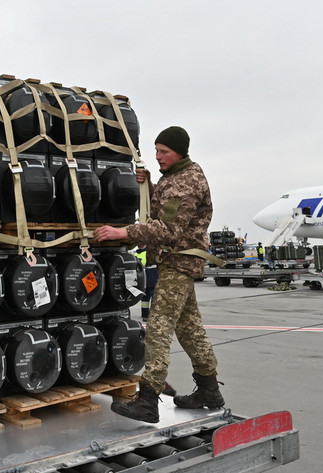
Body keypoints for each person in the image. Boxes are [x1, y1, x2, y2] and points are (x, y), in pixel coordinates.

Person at [93, 126, 224, 423]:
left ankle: (148, 399)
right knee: (190, 330)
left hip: (178, 263)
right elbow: (165, 211)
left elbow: (168, 229)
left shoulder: (187, 182)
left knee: (158, 329)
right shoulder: (173, 178)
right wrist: (151, 186)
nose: (158, 156)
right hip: (176, 262)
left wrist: (122, 231)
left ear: (179, 151)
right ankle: (209, 390)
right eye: (156, 150)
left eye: (163, 151)